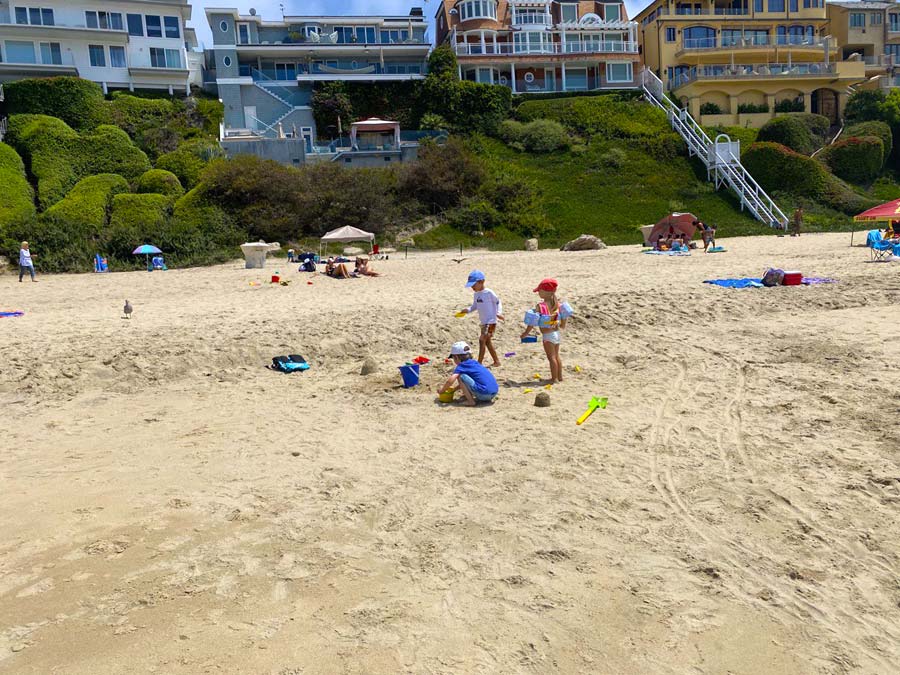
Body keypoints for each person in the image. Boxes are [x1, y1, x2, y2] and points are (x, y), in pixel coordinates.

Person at [521, 278, 571, 384]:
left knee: (551, 357)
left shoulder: (540, 306)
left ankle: (554, 379)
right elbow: (564, 316)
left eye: (540, 291)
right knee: (557, 356)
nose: (538, 292)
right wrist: (563, 325)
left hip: (547, 336)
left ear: (546, 292)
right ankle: (559, 376)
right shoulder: (557, 304)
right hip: (556, 334)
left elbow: (533, 322)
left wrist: (526, 333)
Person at [460, 269, 504, 368]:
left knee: (482, 340)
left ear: (481, 282)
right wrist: (467, 310)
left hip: (491, 322)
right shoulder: (476, 294)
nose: (472, 287)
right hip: (483, 322)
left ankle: (479, 363)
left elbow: (498, 302)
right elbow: (475, 306)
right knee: (487, 342)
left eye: (473, 285)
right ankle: (496, 361)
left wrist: (499, 313)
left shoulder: (489, 293)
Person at [436, 341, 498, 407]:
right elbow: (467, 382)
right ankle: (470, 396)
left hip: (484, 394)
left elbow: (450, 380)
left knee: (460, 376)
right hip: (494, 392)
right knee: (465, 377)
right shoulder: (475, 363)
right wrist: (454, 389)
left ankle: (471, 401)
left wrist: (442, 390)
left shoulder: (461, 366)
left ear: (456, 357)